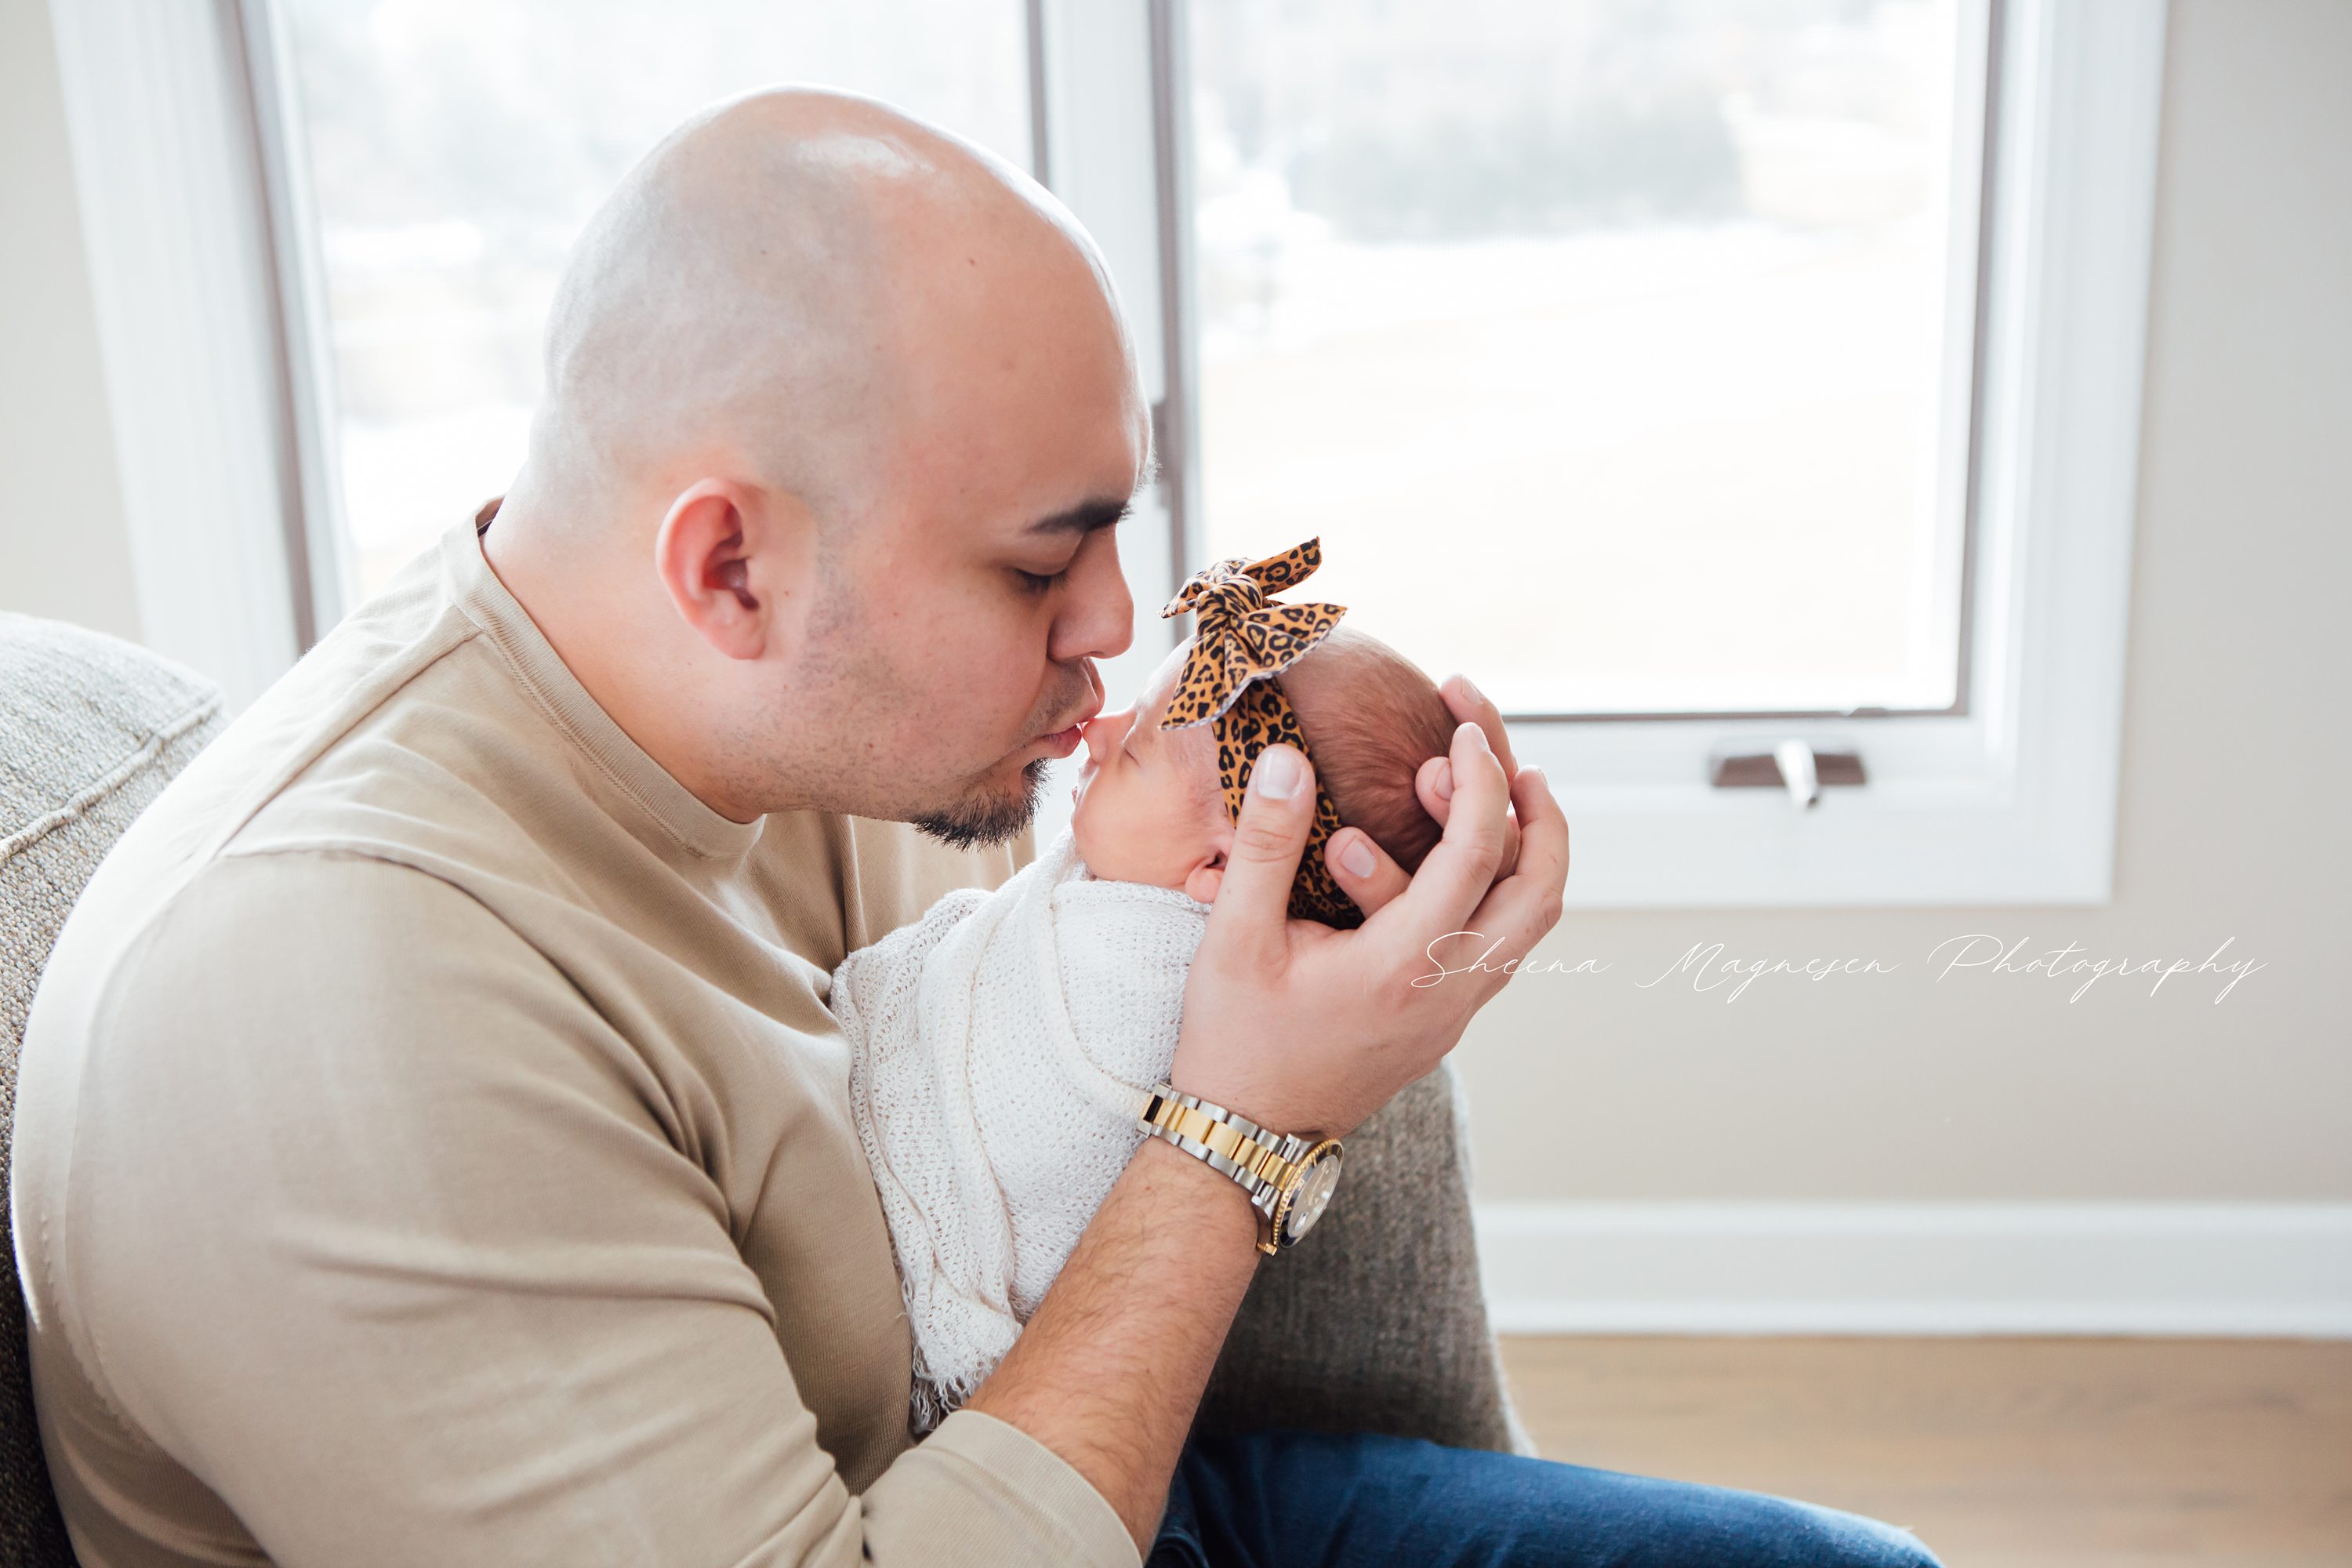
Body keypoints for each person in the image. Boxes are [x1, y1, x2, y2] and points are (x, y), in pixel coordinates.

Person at [12, 86, 1937, 1566]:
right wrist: (1245, 1127)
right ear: (733, 566)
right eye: (1045, 563)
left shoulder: (741, 706)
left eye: (1116, 526)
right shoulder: (341, 1008)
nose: (1116, 624)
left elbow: (1067, 984)